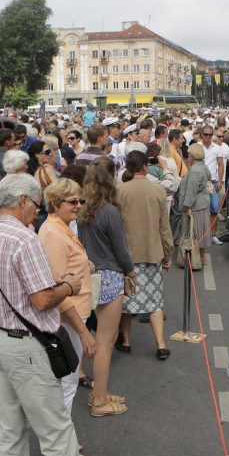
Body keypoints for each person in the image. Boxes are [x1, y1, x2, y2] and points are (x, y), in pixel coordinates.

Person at [0, 173, 102, 456]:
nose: (36, 211)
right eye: (34, 205)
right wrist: (69, 285)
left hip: (2, 338)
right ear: (22, 202)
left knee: (11, 429)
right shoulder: (25, 240)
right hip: (28, 346)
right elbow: (42, 299)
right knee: (56, 432)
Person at [38, 178, 99, 456]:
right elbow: (56, 289)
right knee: (66, 384)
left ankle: (65, 439)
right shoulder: (52, 233)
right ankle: (63, 450)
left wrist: (83, 265)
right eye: (72, 201)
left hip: (73, 315)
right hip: (67, 319)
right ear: (54, 204)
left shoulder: (60, 229)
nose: (78, 205)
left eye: (80, 200)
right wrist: (84, 332)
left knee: (66, 382)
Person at [78, 158, 135, 417]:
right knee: (105, 343)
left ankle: (98, 391)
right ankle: (99, 399)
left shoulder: (82, 210)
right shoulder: (110, 211)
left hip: (90, 275)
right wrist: (130, 270)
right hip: (111, 276)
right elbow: (121, 250)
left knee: (99, 339)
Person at [116, 151, 174, 359]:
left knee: (127, 301)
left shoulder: (120, 191)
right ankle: (160, 344)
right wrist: (168, 252)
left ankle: (126, 341)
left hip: (128, 254)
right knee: (155, 301)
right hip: (152, 252)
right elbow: (164, 226)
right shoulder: (157, 190)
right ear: (145, 167)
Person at [177, 143, 212, 264]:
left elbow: (191, 192)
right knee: (200, 231)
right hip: (202, 203)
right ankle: (200, 257)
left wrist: (187, 206)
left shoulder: (195, 171)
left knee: (194, 233)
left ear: (192, 155)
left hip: (195, 206)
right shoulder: (203, 167)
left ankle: (195, 258)